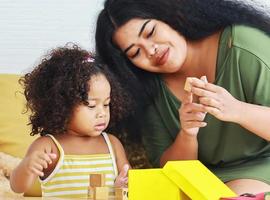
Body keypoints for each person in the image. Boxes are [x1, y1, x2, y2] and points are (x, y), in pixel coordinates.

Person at [95, 0, 270, 195]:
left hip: (262, 166)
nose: (151, 50)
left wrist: (237, 110)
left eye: (151, 32)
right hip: (198, 181)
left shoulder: (242, 45)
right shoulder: (149, 88)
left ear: (171, 16)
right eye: (136, 52)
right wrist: (187, 134)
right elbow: (172, 171)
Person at [10, 44, 130, 198]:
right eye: (91, 105)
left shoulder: (112, 144)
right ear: (62, 105)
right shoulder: (49, 147)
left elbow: (129, 183)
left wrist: (123, 186)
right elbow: (18, 187)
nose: (102, 113)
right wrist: (27, 167)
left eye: (106, 104)